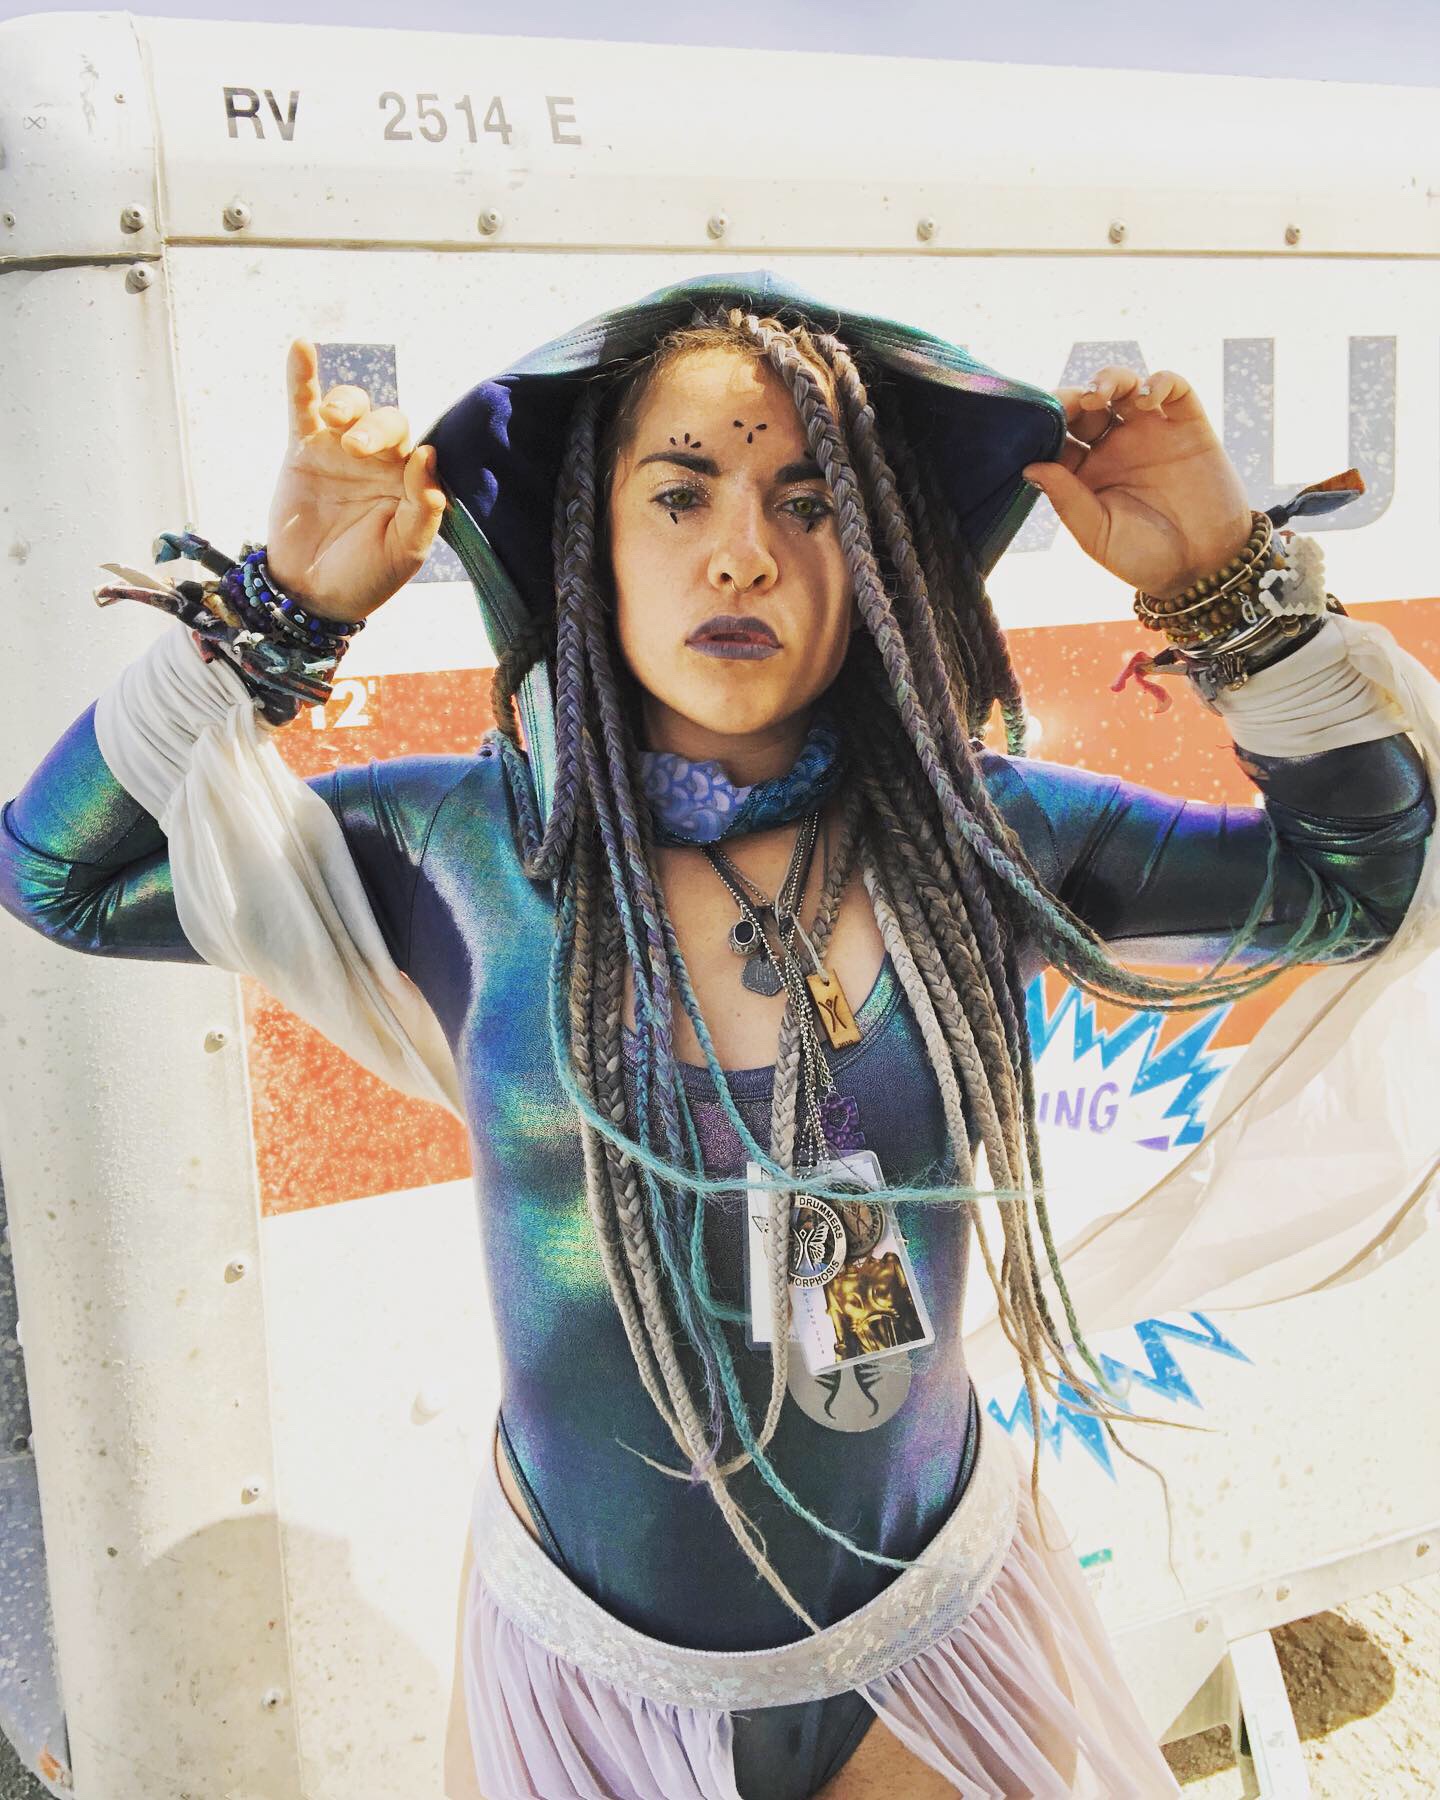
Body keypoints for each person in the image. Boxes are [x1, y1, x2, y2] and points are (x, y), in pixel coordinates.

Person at [1, 270, 1434, 1800]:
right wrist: (280, 614)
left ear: (878, 562)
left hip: (934, 1648)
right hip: (579, 1676)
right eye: (680, 496)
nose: (743, 551)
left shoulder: (985, 831)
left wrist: (1226, 581)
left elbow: (1363, 886)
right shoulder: (457, 844)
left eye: (812, 506)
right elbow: (59, 876)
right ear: (592, 546)